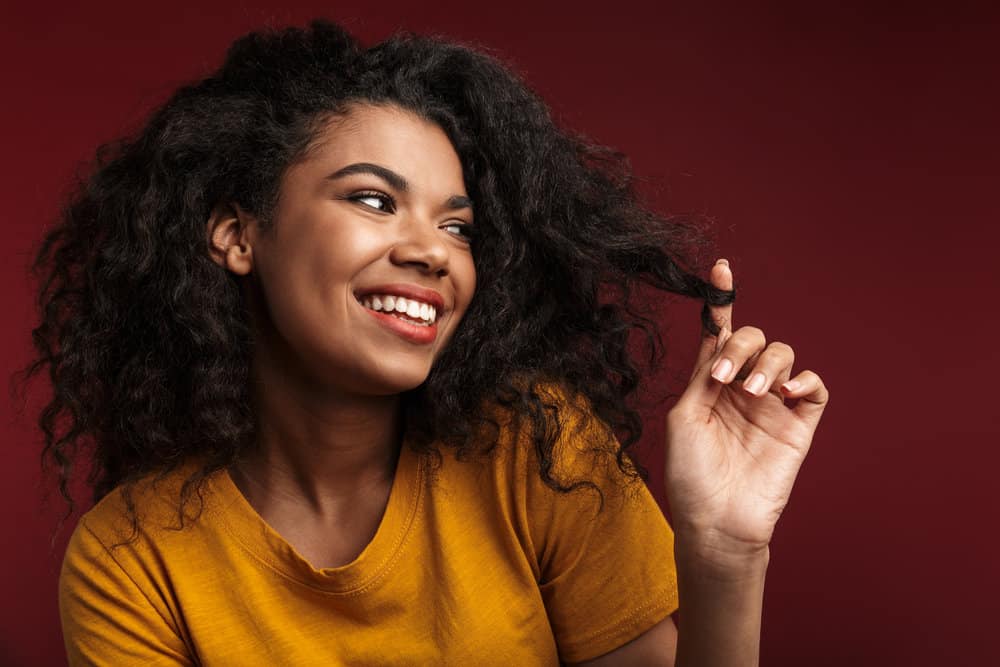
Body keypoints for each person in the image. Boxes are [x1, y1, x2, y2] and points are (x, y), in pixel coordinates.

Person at [23, 20, 828, 666]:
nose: (434, 251)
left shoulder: (539, 452)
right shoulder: (131, 560)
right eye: (374, 200)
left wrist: (723, 553)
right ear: (239, 234)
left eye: (457, 225)